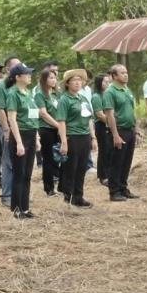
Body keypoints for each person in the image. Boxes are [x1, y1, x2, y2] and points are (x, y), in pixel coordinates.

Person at [2, 63, 40, 219]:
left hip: (31, 134)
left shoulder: (28, 93)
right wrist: (18, 142)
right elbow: (12, 119)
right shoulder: (13, 94)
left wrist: (36, 138)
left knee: (27, 174)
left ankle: (25, 208)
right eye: (27, 74)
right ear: (17, 77)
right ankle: (17, 209)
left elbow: (33, 116)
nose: (30, 76)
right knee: (19, 173)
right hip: (20, 135)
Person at [56, 69, 94, 207]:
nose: (78, 83)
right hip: (72, 136)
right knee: (71, 167)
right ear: (67, 83)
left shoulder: (83, 98)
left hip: (84, 136)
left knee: (82, 167)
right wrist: (64, 142)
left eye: (80, 80)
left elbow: (89, 119)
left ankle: (79, 195)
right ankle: (69, 195)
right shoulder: (65, 99)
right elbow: (61, 121)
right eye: (74, 80)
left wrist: (93, 137)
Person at [105, 64, 138, 202]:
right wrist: (115, 135)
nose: (126, 75)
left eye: (126, 72)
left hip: (129, 130)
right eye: (122, 73)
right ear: (114, 76)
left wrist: (136, 129)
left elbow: (131, 110)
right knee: (117, 162)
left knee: (126, 162)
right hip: (119, 131)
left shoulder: (126, 89)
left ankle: (123, 188)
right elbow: (110, 114)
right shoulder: (110, 92)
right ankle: (114, 191)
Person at [34, 68, 65, 198]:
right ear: (44, 80)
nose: (54, 80)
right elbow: (43, 113)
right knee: (48, 159)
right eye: (51, 78)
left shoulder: (57, 94)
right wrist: (58, 125)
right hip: (46, 129)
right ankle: (49, 188)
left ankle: (61, 186)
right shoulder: (40, 94)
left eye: (55, 78)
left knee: (59, 157)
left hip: (58, 130)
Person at [0, 58, 20, 206]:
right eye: (17, 66)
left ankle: (17, 194)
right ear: (8, 69)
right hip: (8, 129)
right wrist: (5, 130)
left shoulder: (18, 85)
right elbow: (1, 109)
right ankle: (7, 195)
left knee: (18, 162)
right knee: (8, 162)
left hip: (20, 128)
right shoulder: (1, 85)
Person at [91, 73, 112, 187]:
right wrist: (111, 123)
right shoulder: (96, 97)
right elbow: (99, 114)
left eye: (108, 82)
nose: (107, 84)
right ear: (99, 83)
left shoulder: (108, 94)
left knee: (110, 150)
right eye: (105, 82)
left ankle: (109, 173)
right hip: (101, 125)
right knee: (104, 150)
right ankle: (103, 176)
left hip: (109, 125)